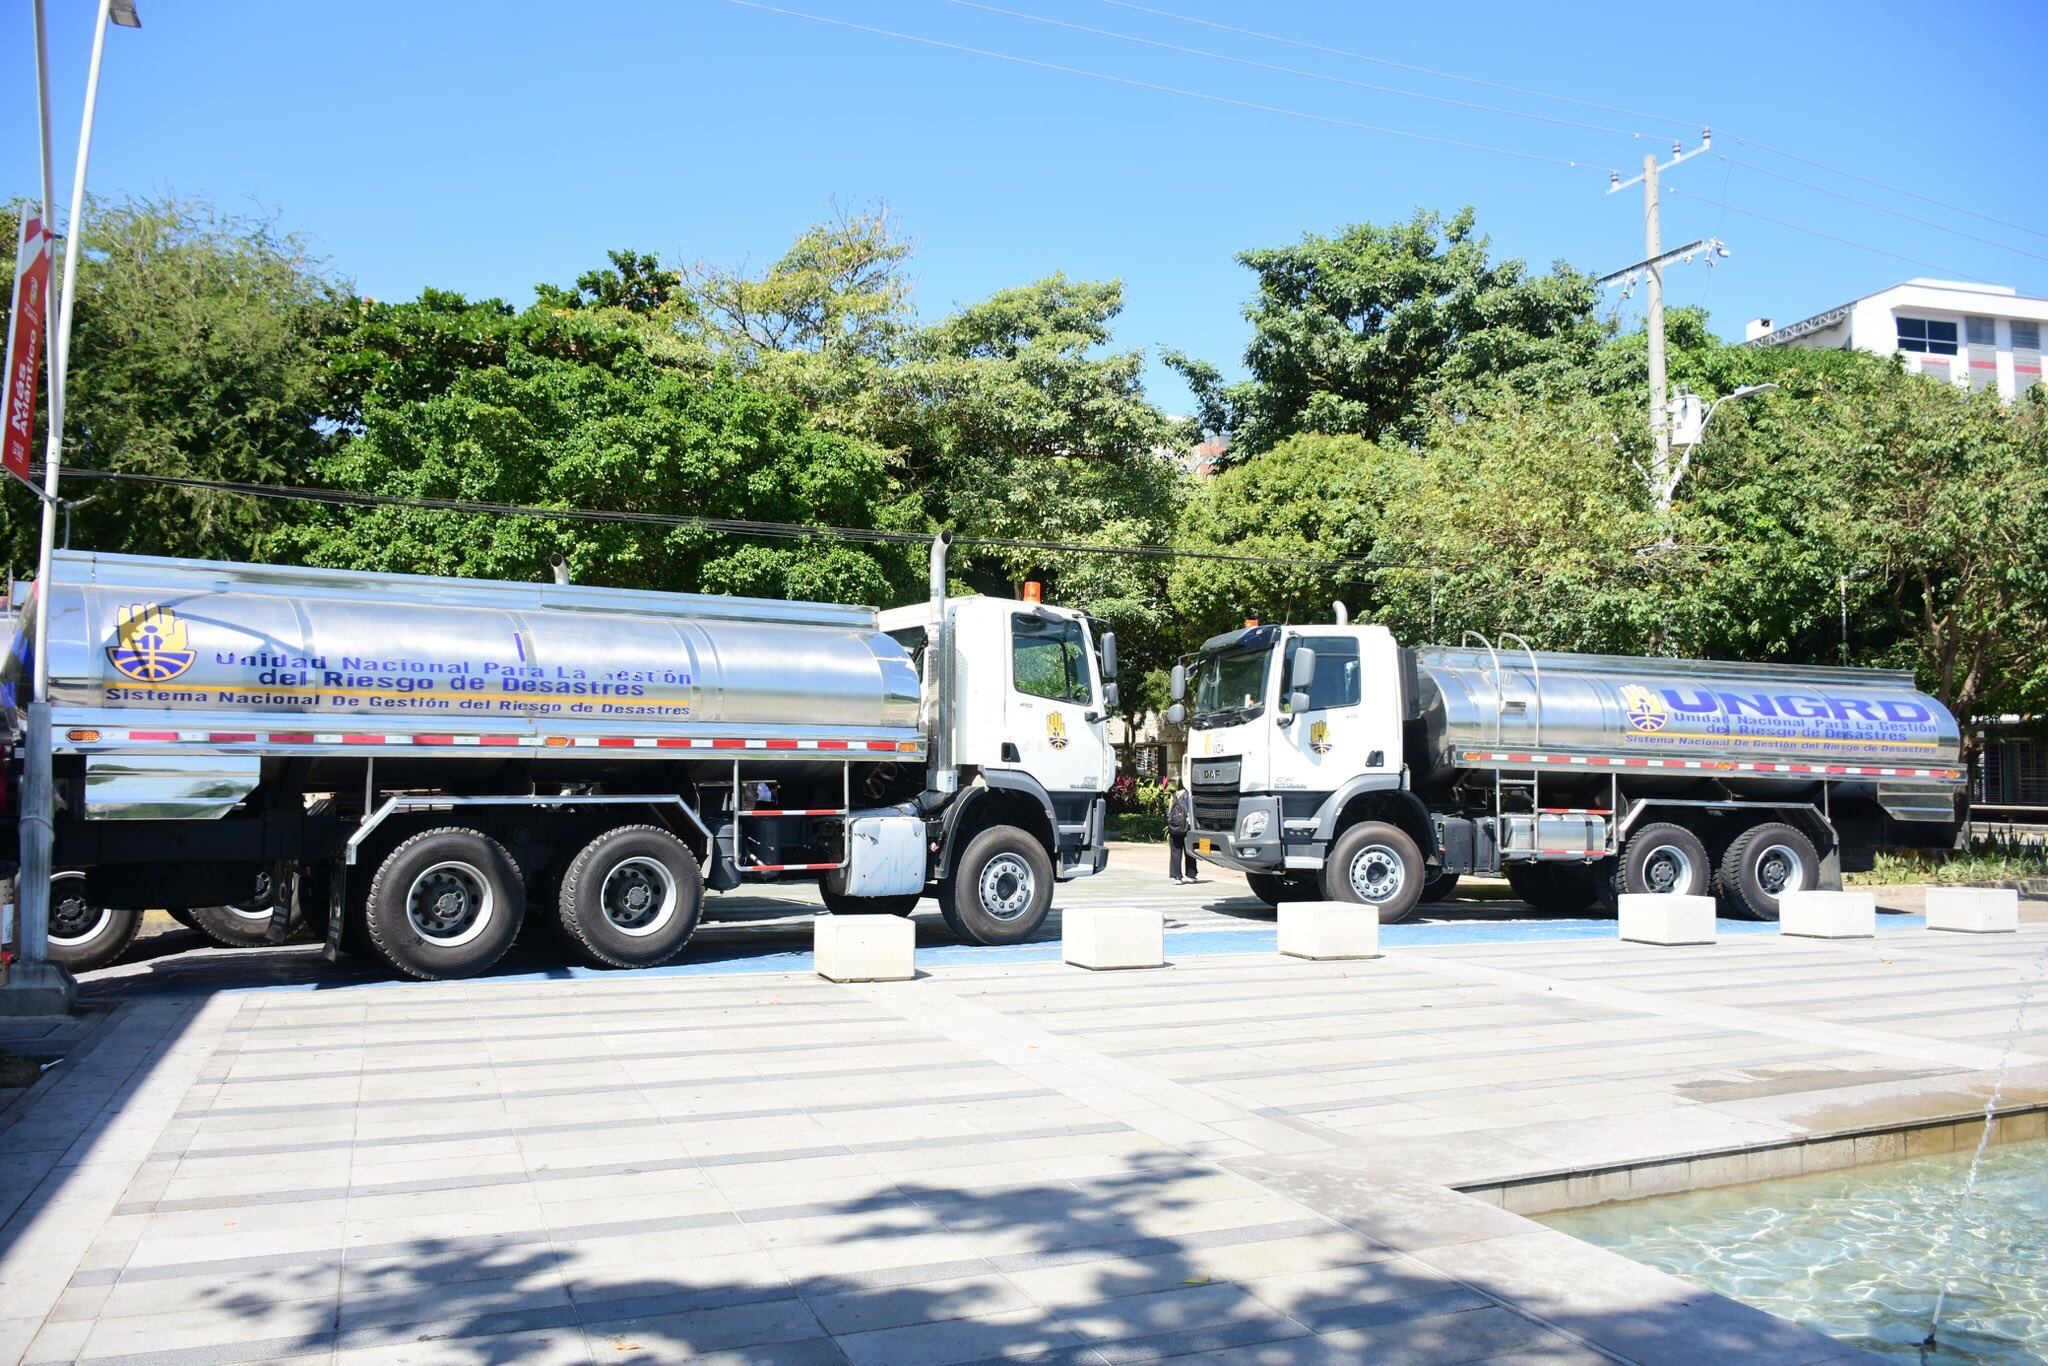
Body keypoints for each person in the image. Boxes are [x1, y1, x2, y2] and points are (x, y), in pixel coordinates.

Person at [1165, 780, 1195, 883]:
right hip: (1187, 827)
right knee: (1190, 851)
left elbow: (1169, 812)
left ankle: (1177, 877)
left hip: (1175, 828)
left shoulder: (1174, 795)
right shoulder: (1190, 795)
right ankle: (1191, 875)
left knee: (1175, 852)